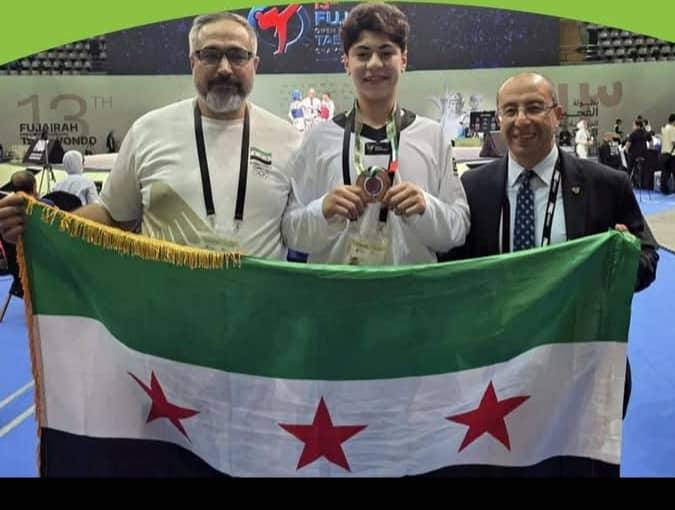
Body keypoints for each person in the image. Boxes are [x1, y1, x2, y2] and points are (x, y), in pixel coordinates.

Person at [0, 11, 302, 260]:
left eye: (237, 56)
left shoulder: (289, 141)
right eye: (210, 55)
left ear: (255, 65)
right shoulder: (149, 130)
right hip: (164, 311)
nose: (224, 68)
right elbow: (113, 216)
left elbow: (304, 232)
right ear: (192, 62)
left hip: (256, 312)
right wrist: (43, 224)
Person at [281, 3, 469, 265]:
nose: (374, 63)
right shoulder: (318, 138)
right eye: (362, 53)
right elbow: (291, 233)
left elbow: (458, 230)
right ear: (346, 63)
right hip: (337, 287)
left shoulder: (432, 136)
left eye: (386, 52)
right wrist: (323, 211)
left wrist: (426, 207)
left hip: (411, 288)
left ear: (403, 60)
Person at [659, 113, 675, 194]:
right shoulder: (672, 128)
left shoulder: (664, 128)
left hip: (663, 153)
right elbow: (673, 141)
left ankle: (664, 189)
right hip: (671, 154)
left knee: (665, 173)